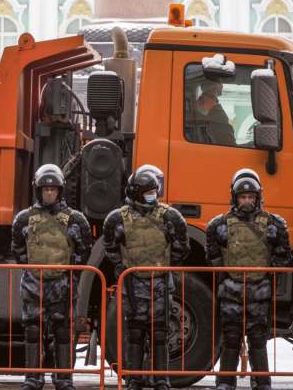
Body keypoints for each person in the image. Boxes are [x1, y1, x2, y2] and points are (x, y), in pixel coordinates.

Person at [104, 166, 190, 390]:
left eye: (155, 191)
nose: (153, 195)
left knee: (160, 332)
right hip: (133, 285)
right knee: (135, 332)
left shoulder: (170, 216)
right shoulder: (117, 219)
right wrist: (124, 268)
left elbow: (182, 247)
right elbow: (111, 249)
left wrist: (164, 267)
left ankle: (161, 378)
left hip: (160, 283)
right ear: (136, 193)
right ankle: (134, 377)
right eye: (148, 192)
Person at [207, 170, 292, 390]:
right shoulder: (219, 225)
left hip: (259, 289)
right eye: (243, 197)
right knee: (231, 338)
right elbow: (213, 255)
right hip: (231, 289)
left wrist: (266, 279)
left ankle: (261, 382)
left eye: (251, 197)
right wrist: (227, 278)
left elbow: (283, 257)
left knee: (257, 339)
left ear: (257, 197)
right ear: (235, 197)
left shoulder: (273, 224)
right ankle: (225, 381)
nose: (247, 201)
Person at [11, 164, 92, 390]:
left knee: (63, 332)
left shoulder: (76, 219)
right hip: (33, 285)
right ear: (38, 190)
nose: (49, 193)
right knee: (33, 332)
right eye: (45, 189)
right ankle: (33, 378)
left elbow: (83, 250)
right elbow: (18, 250)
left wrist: (66, 274)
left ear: (60, 190)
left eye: (53, 189)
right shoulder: (24, 219)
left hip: (62, 285)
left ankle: (64, 379)